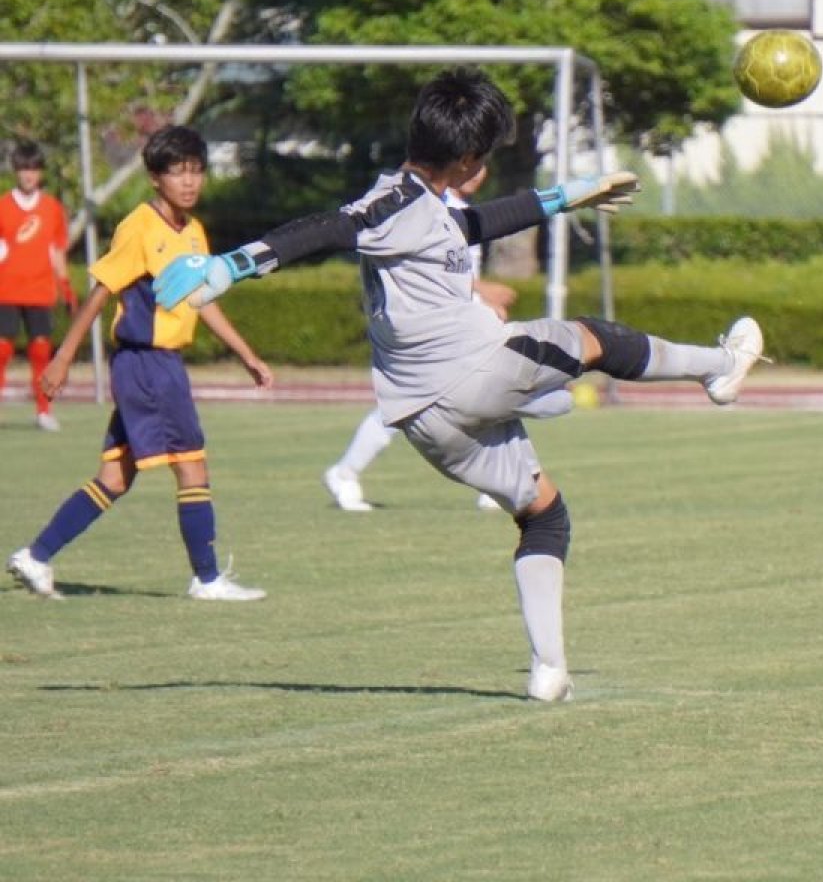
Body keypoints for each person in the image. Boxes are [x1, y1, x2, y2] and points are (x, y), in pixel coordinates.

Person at [153, 67, 765, 701]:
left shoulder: (426, 208)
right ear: (468, 158)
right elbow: (331, 226)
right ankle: (719, 368)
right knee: (594, 339)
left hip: (426, 421)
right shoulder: (393, 201)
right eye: (488, 156)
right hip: (475, 371)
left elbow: (472, 227)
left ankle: (549, 670)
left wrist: (564, 197)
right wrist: (236, 263)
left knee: (545, 518)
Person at [7, 126, 274, 602]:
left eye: (196, 171)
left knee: (116, 477)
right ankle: (207, 580)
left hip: (158, 366)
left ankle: (37, 555)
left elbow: (201, 297)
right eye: (178, 172)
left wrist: (246, 353)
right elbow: (101, 291)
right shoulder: (139, 226)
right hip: (148, 365)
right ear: (155, 177)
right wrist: (65, 355)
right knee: (192, 468)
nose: (189, 182)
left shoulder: (193, 232)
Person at [322, 163, 555, 513]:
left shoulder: (462, 211)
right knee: (411, 407)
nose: (479, 171)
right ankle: (345, 471)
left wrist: (477, 303)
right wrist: (482, 293)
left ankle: (500, 481)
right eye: (472, 161)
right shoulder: (426, 206)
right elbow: (425, 269)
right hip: (425, 328)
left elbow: (453, 274)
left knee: (489, 391)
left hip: (452, 324)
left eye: (484, 162)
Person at [0, 141, 78, 431]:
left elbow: (56, 251)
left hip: (40, 289)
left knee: (41, 350)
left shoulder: (52, 209)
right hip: (6, 289)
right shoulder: (3, 206)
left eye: (33, 169)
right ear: (16, 172)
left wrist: (66, 286)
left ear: (40, 173)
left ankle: (44, 410)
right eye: (23, 169)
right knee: (2, 349)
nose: (28, 175)